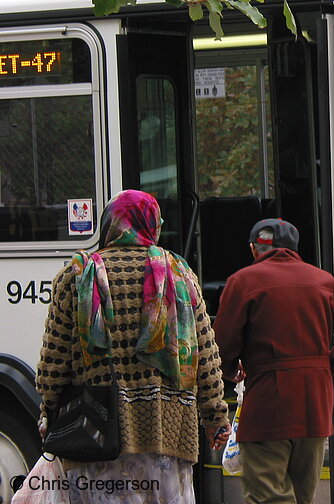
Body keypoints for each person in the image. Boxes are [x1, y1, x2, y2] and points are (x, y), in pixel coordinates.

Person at [36, 190, 230, 503]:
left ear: (109, 223)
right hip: (167, 432)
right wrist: (215, 417)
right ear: (152, 224)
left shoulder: (76, 276)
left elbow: (54, 363)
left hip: (96, 433)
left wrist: (48, 412)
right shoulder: (179, 274)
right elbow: (204, 358)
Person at [213, 218, 334, 504]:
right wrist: (324, 366)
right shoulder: (323, 281)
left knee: (269, 497)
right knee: (302, 497)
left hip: (267, 408)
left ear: (254, 249)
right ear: (295, 249)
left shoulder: (242, 282)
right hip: (315, 409)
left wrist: (229, 371)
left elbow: (222, 346)